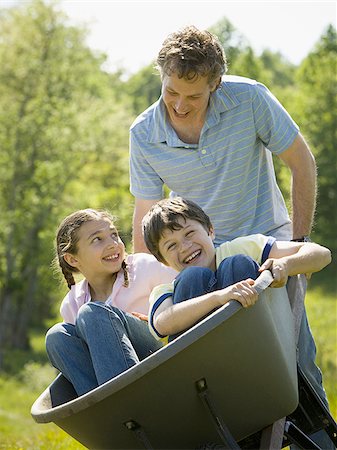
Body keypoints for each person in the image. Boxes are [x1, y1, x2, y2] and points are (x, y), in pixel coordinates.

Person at [142, 197, 334, 449]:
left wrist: (285, 264)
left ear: (210, 230)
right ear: (163, 260)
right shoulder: (166, 289)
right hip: (209, 386)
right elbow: (162, 323)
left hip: (262, 364)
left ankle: (253, 379)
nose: (185, 246)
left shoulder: (241, 247)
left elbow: (322, 254)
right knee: (192, 278)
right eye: (171, 245)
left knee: (237, 263)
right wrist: (220, 297)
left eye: (190, 233)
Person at [129, 25, 316, 252]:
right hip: (198, 253)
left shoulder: (250, 98)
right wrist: (142, 279)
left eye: (193, 96)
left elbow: (301, 161)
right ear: (162, 76)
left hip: (269, 242)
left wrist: (299, 244)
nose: (179, 105)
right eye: (172, 92)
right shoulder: (143, 133)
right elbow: (146, 215)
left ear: (215, 84)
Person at [45, 209, 177, 396]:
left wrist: (161, 319)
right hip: (107, 377)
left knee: (93, 313)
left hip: (159, 356)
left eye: (114, 235)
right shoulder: (72, 304)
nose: (113, 244)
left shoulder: (145, 267)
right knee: (56, 335)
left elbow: (187, 296)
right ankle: (106, 412)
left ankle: (128, 402)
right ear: (72, 259)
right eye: (97, 239)